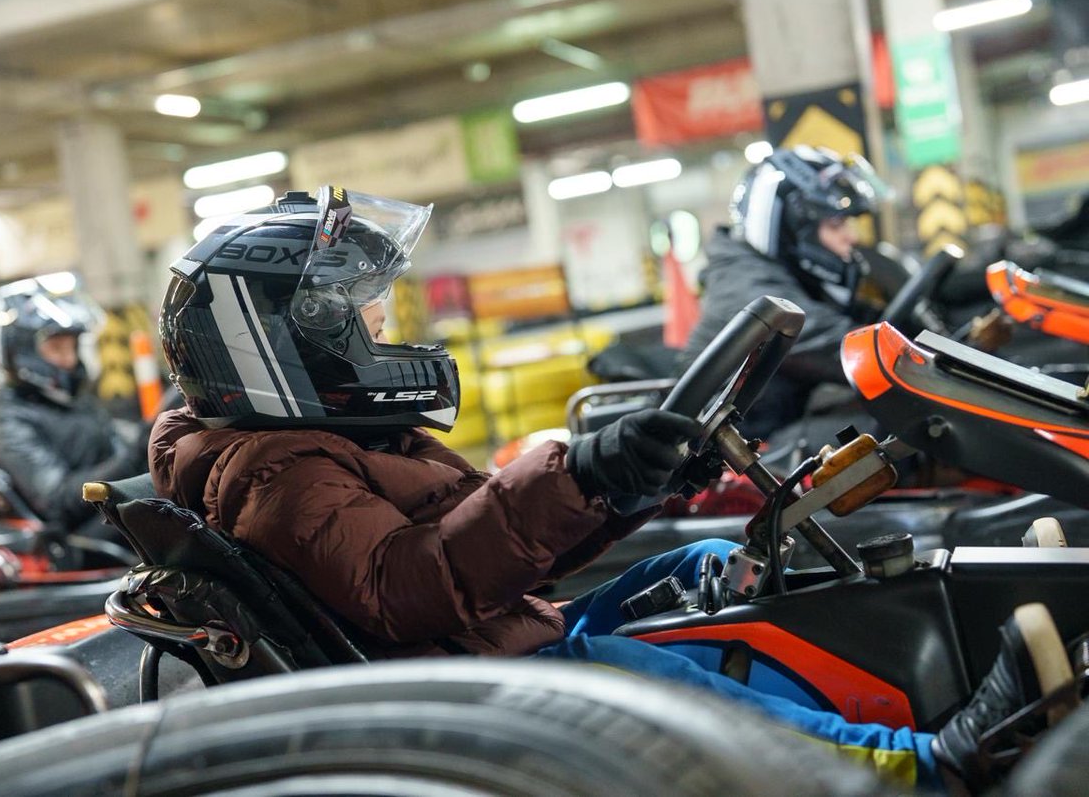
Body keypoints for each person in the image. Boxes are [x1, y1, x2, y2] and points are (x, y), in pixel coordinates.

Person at [150, 187, 1079, 792]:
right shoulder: (274, 472)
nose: (385, 324)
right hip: (475, 687)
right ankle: (928, 768)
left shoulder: (320, 438)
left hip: (497, 637)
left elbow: (491, 558)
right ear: (288, 336)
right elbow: (409, 586)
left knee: (708, 565)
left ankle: (909, 700)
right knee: (648, 681)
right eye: (362, 310)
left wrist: (624, 487)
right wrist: (575, 468)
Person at [681, 146, 886, 440]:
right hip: (725, 455)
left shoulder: (784, 275)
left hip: (762, 432)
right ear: (791, 229)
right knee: (884, 434)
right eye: (836, 224)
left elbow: (866, 319)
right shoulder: (749, 290)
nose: (851, 237)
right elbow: (839, 347)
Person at [0, 275, 148, 541]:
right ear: (20, 349)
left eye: (72, 347)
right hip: (70, 537)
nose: (69, 360)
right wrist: (133, 457)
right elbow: (56, 500)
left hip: (105, 514)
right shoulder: (6, 416)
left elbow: (116, 450)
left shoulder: (74, 401)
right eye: (56, 348)